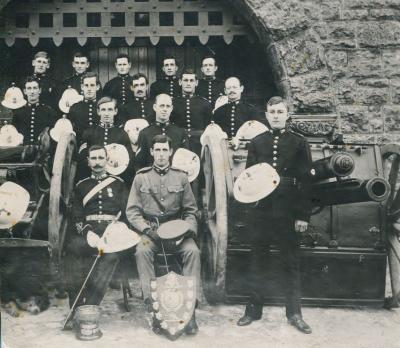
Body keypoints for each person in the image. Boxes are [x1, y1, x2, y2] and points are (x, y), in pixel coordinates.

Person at [236, 96, 312, 334]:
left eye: (280, 111)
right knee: (258, 259)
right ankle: (252, 310)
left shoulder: (299, 143)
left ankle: (294, 313)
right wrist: (251, 209)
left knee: (291, 262)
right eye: (272, 112)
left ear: (287, 114)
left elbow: (307, 183)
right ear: (266, 115)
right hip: (262, 211)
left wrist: (303, 216)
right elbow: (248, 178)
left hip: (288, 211)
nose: (276, 115)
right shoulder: (257, 142)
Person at [126, 134, 200, 335]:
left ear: (171, 152)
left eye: (164, 150)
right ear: (151, 152)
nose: (160, 154)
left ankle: (190, 311)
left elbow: (191, 210)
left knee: (193, 251)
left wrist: (187, 230)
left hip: (177, 231)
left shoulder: (181, 177)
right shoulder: (141, 177)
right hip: (151, 232)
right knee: (142, 251)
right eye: (157, 150)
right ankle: (154, 307)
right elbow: (132, 211)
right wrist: (147, 230)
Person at [64, 145, 128, 319]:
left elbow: (126, 213)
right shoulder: (81, 186)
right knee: (73, 251)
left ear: (107, 160)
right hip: (89, 233)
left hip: (112, 234)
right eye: (94, 158)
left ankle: (90, 306)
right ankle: (75, 307)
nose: (98, 162)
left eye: (101, 158)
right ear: (88, 161)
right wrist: (87, 233)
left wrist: (114, 232)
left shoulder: (118, 184)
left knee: (111, 257)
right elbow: (77, 215)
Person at [78, 97, 134, 183]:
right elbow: (83, 159)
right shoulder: (89, 133)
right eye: (103, 110)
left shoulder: (122, 134)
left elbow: (128, 161)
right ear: (98, 112)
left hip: (115, 180)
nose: (106, 113)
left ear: (115, 111)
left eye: (110, 110)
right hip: (93, 180)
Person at [135, 94, 188, 169]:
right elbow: (139, 164)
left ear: (171, 108)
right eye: (162, 106)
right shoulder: (145, 133)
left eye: (168, 106)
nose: (165, 109)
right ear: (155, 107)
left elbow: (186, 161)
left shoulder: (180, 133)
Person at [171, 69, 212, 156]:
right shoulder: (173, 102)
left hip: (199, 143)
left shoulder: (205, 103)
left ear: (196, 83)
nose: (188, 83)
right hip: (179, 142)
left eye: (191, 80)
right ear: (180, 82)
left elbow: (208, 126)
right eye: (185, 80)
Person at [12, 77, 57, 145]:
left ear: (39, 90)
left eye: (35, 88)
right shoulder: (18, 113)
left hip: (43, 152)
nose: (32, 92)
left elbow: (53, 136)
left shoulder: (49, 112)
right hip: (22, 151)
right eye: (29, 88)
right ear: (25, 91)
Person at [68, 72, 101, 143]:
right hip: (80, 144)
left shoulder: (103, 107)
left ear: (97, 87)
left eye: (92, 85)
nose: (89, 89)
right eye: (86, 85)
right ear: (82, 87)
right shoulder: (75, 107)